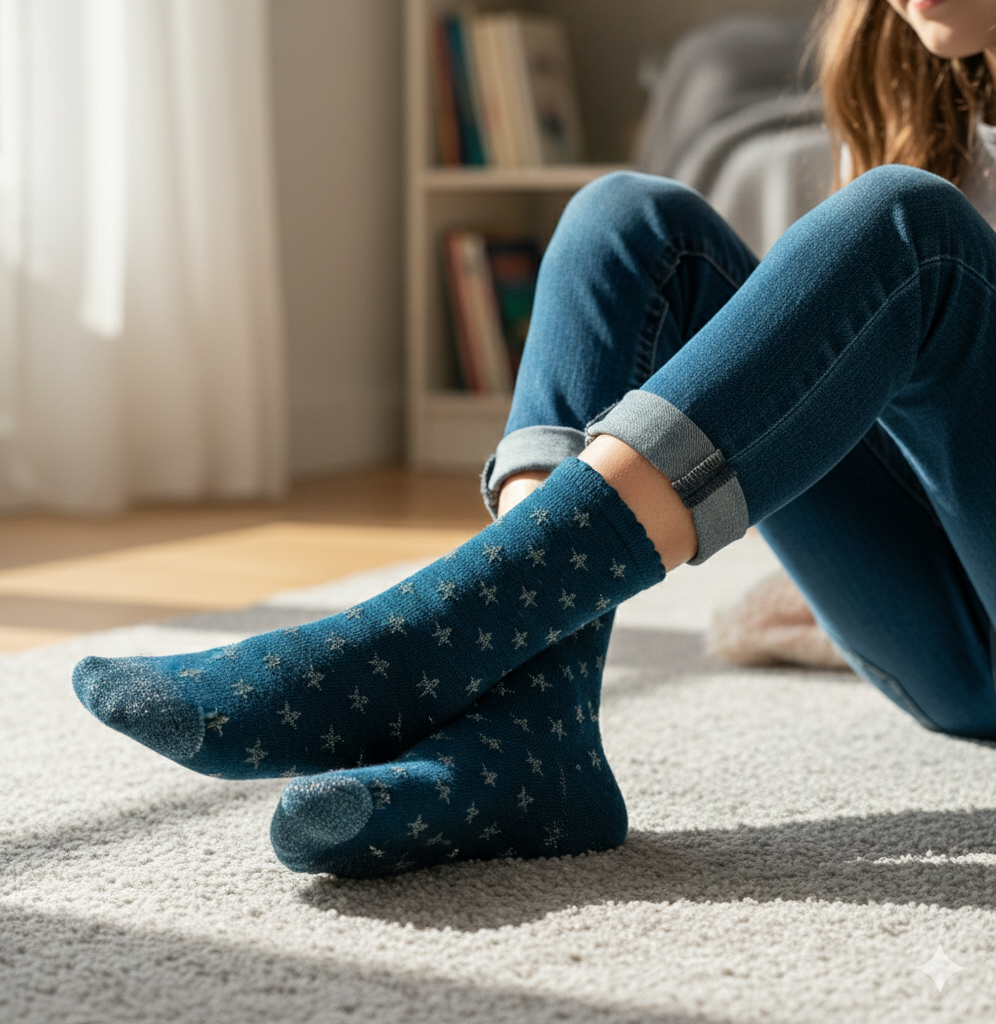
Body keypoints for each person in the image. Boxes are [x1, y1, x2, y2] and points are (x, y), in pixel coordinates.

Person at [72, 0, 996, 878]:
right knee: (627, 220)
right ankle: (527, 733)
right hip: (949, 630)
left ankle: (418, 644)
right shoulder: (932, 96)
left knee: (914, 229)